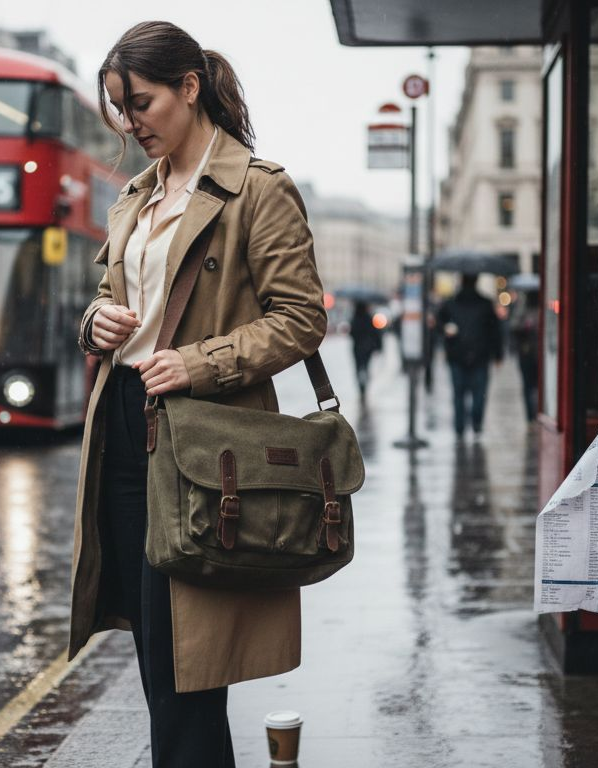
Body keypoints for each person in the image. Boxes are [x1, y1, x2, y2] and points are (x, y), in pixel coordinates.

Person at [70, 21, 327, 768]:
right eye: (120, 108)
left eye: (140, 102)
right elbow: (105, 298)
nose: (130, 123)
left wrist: (199, 363)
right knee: (162, 660)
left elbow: (301, 318)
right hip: (123, 429)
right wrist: (97, 323)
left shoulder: (258, 190)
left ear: (189, 87)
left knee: (189, 667)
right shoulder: (135, 197)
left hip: (200, 441)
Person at [436, 272, 503, 438]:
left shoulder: (450, 303)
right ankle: (476, 424)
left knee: (458, 394)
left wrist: (446, 330)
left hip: (457, 354)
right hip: (480, 355)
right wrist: (498, 354)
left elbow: (438, 323)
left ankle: (459, 428)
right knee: (479, 394)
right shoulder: (486, 304)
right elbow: (495, 331)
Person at [511, 288, 540, 421]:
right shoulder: (524, 310)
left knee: (530, 386)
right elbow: (515, 328)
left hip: (530, 353)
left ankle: (533, 415)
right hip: (529, 352)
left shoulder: (523, 310)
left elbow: (514, 326)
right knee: (531, 385)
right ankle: (532, 415)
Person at [349, 300, 380, 400]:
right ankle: (364, 386)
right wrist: (378, 346)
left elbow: (352, 333)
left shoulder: (354, 318)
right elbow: (375, 333)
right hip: (367, 348)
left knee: (358, 368)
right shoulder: (369, 318)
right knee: (365, 367)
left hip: (357, 348)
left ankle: (361, 387)